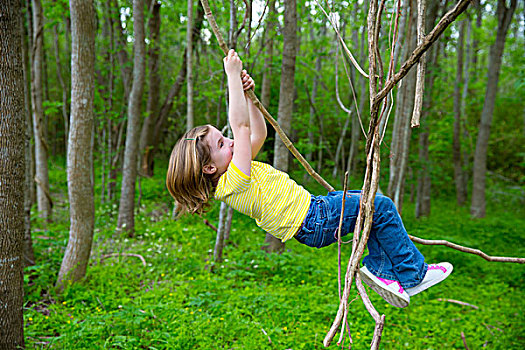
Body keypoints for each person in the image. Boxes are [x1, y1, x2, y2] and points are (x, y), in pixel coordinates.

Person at [166, 49, 452, 308]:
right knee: (381, 206)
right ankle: (412, 274)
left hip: (315, 211)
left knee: (371, 209)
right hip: (314, 219)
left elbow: (257, 134)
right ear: (208, 169)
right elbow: (240, 128)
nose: (229, 142)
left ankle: (383, 271)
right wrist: (231, 76)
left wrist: (251, 98)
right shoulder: (233, 182)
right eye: (220, 144)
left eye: (225, 138)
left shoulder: (237, 169)